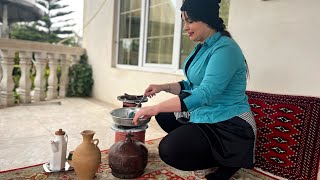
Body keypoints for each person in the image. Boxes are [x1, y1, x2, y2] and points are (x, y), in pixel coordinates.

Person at [132, 0, 256, 179]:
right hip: (205, 113)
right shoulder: (203, 47)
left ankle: (229, 160)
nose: (185, 27)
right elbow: (191, 84)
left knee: (169, 150)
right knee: (164, 115)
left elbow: (206, 92)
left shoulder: (225, 48)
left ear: (206, 19)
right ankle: (203, 149)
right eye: (184, 21)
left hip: (228, 124)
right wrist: (162, 88)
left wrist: (155, 107)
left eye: (189, 21)